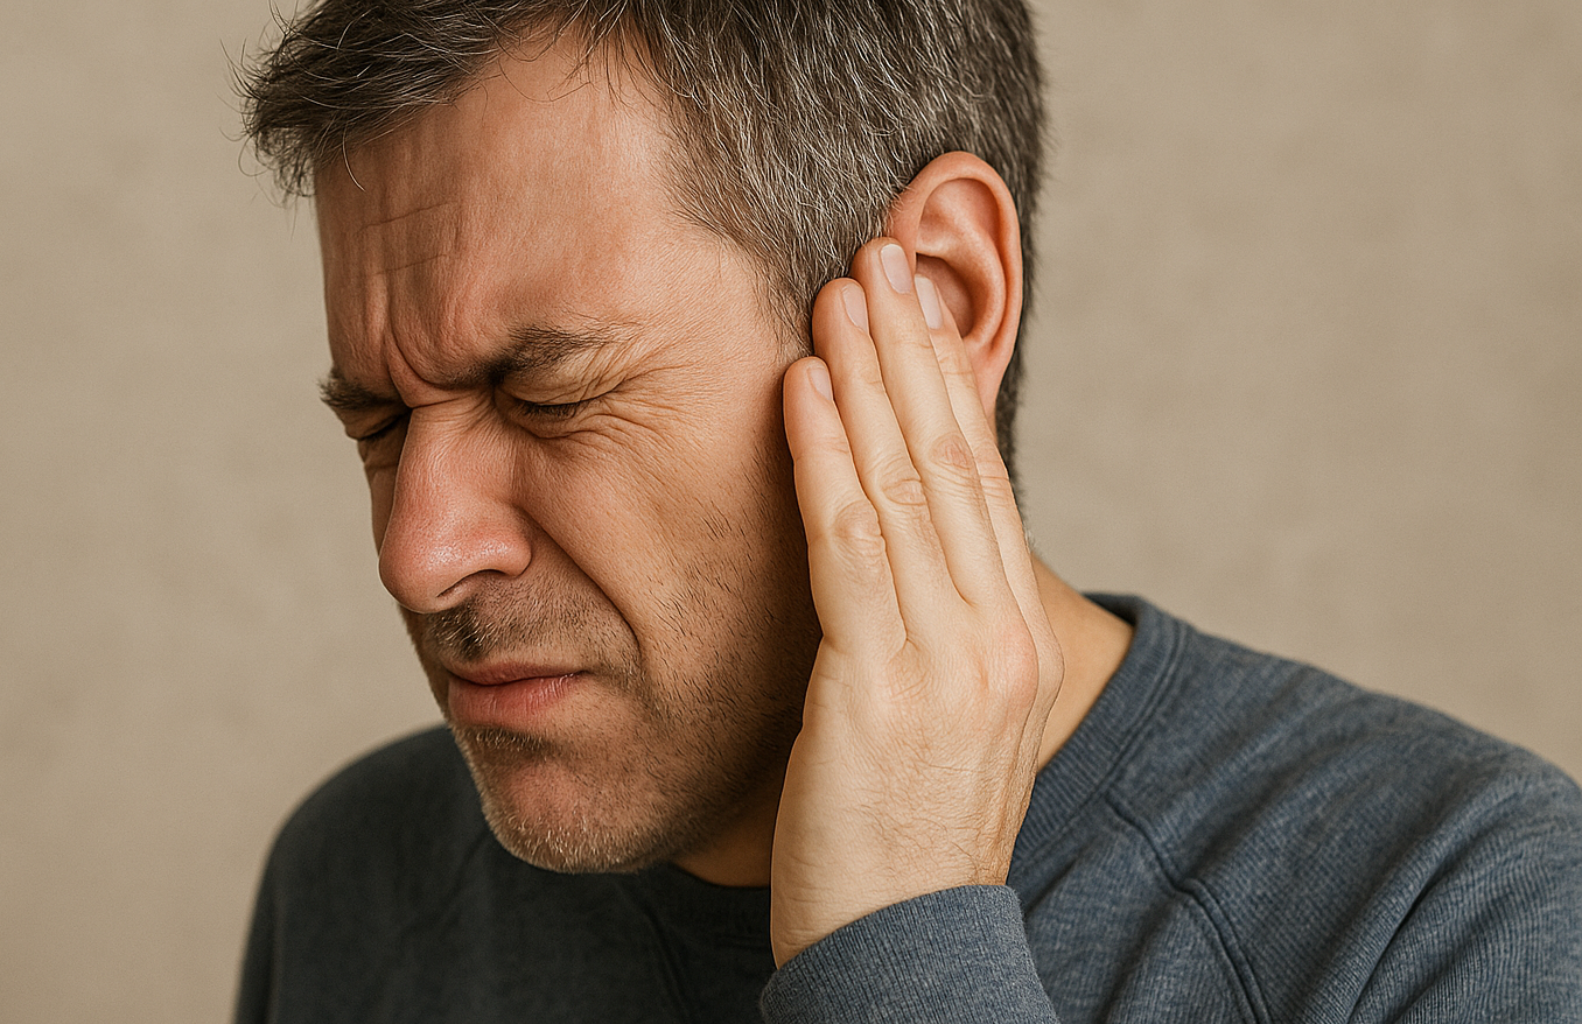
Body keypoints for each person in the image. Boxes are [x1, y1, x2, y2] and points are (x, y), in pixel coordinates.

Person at [231, 1, 1582, 1020]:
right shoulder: (355, 884)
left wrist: (905, 950)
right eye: (379, 424)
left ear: (936, 303)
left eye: (547, 396)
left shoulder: (1456, 919)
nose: (419, 554)